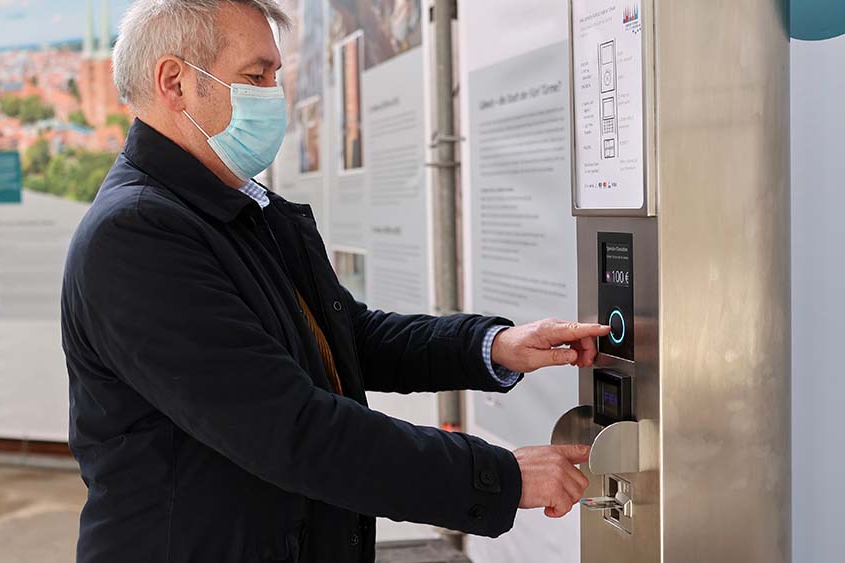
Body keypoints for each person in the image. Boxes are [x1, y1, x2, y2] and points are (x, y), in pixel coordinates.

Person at [60, 1, 610, 562]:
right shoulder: (136, 236)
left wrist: (490, 347)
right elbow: (290, 429)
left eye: (276, 74)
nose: (276, 94)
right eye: (255, 76)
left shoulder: (234, 208)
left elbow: (345, 337)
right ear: (174, 82)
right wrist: (501, 476)